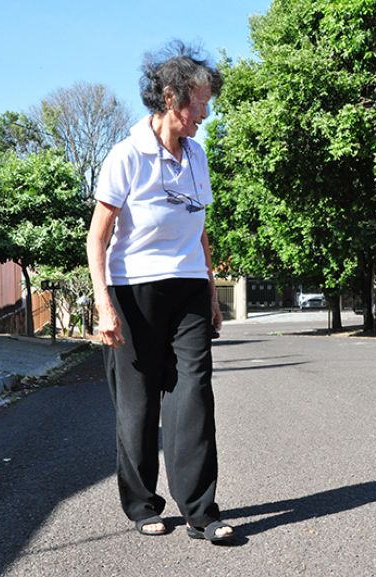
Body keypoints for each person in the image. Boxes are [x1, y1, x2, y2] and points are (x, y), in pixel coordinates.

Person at [86, 41, 233, 543]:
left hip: (189, 286)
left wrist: (212, 293)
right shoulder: (126, 156)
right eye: (201, 103)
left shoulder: (198, 155)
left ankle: (200, 509)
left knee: (194, 394)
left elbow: (200, 229)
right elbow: (98, 237)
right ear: (171, 98)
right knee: (139, 404)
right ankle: (143, 503)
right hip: (134, 291)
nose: (206, 114)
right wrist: (104, 305)